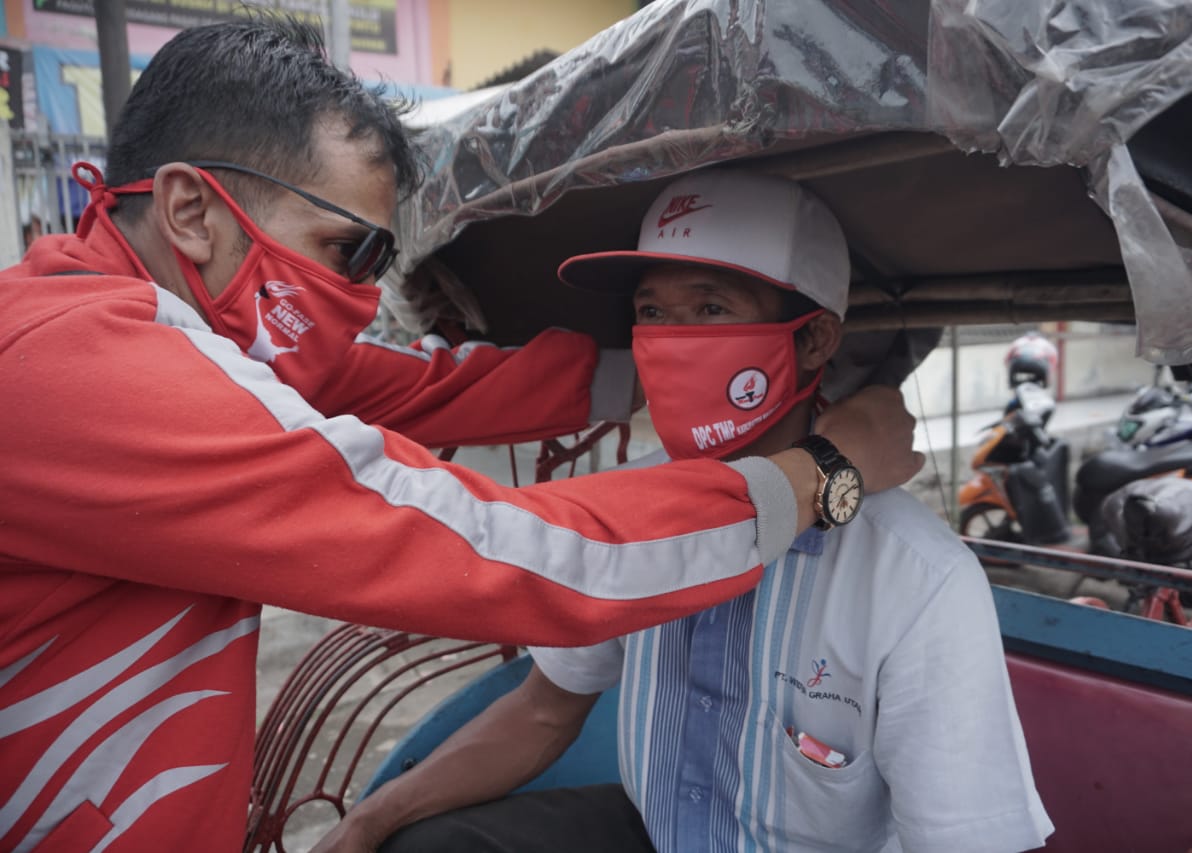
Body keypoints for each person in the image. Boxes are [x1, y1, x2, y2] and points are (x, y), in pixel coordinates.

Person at [0, 22, 926, 853]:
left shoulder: (191, 338)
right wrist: (823, 471)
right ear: (191, 213)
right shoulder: (88, 375)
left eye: (381, 263)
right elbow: (508, 551)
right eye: (347, 251)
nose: (366, 297)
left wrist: (687, 355)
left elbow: (438, 386)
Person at [320, 171, 1053, 853]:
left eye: (711, 308)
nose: (673, 342)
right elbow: (544, 710)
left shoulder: (918, 580)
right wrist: (370, 819)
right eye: (652, 314)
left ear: (814, 339)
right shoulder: (629, 511)